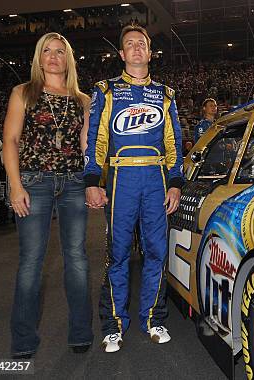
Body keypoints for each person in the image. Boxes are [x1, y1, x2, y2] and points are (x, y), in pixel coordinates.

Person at [83, 24, 184, 353]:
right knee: (118, 254)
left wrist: (175, 183)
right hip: (121, 180)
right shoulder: (107, 90)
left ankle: (154, 318)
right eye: (130, 44)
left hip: (155, 181)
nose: (137, 48)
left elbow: (174, 143)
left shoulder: (166, 94)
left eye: (142, 43)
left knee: (157, 252)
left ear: (149, 52)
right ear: (122, 54)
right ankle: (114, 324)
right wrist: (92, 180)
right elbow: (97, 138)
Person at [2, 32, 93, 358]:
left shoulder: (84, 100)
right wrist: (15, 186)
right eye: (47, 51)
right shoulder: (23, 93)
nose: (53, 56)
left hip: (73, 184)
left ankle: (81, 332)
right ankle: (23, 341)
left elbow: (87, 148)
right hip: (34, 182)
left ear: (68, 58)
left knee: (77, 260)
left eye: (60, 51)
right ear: (39, 58)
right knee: (31, 263)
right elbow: (10, 142)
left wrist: (96, 182)